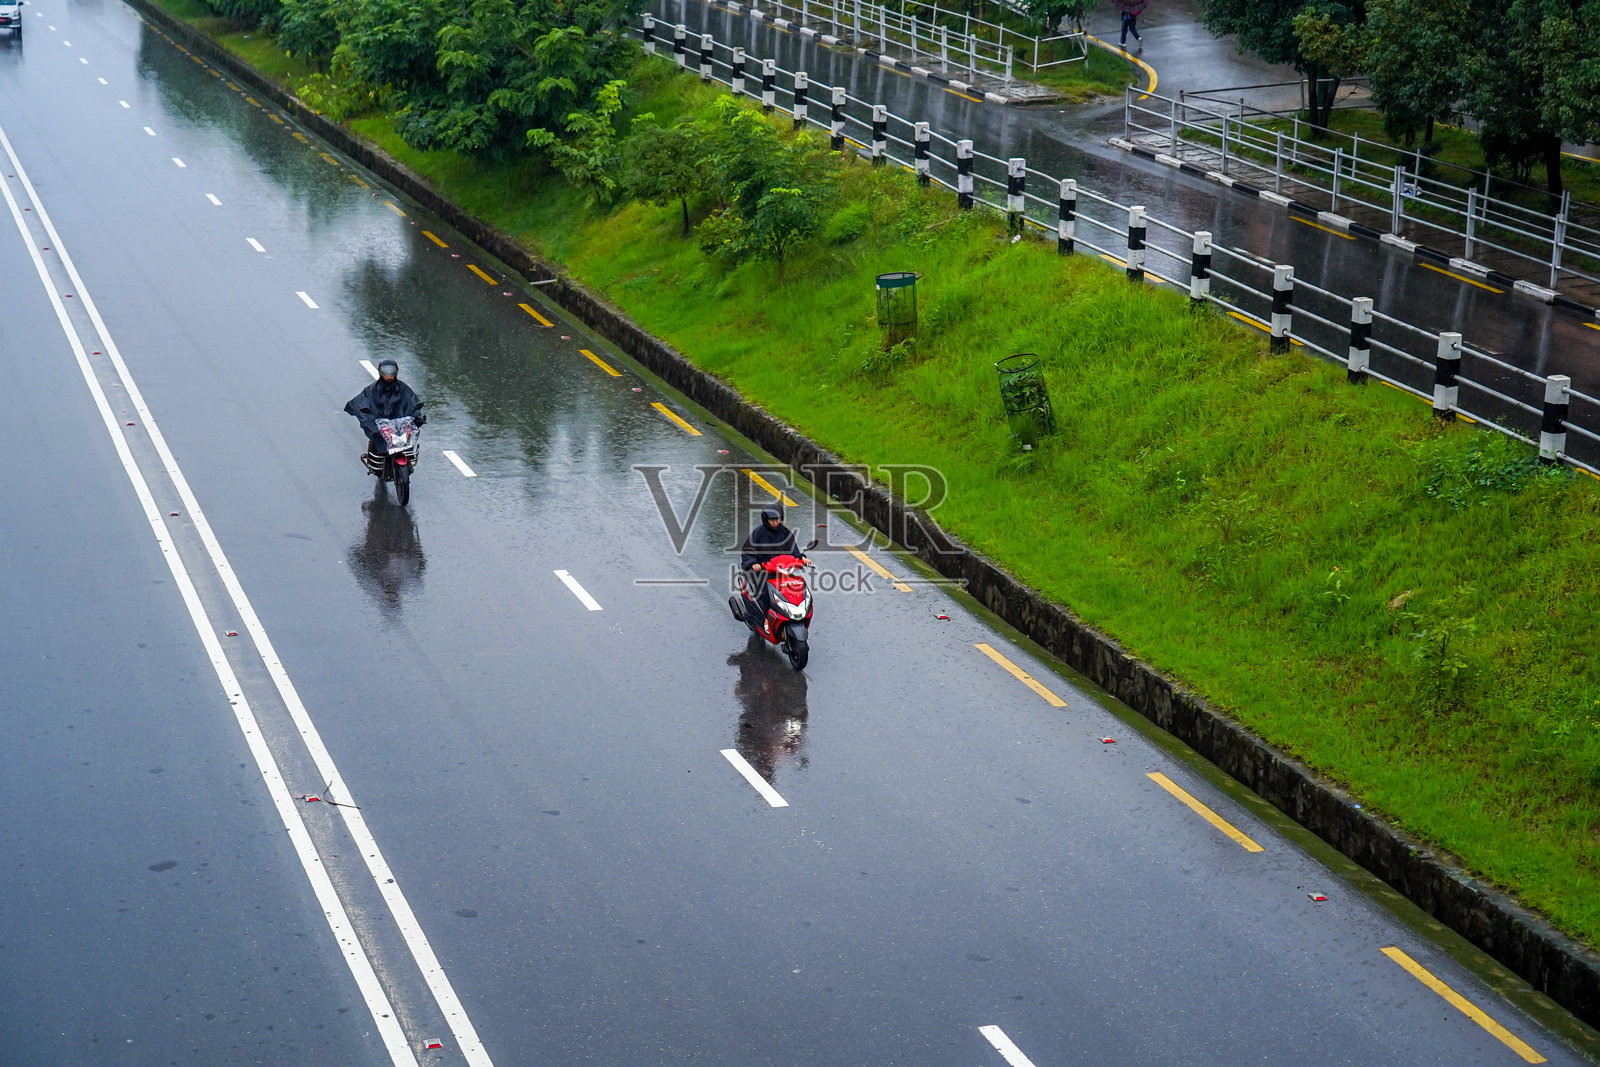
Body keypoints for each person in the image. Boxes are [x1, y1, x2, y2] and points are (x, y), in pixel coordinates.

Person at [344, 359, 425, 469]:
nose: (389, 378)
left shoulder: (403, 389)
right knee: (375, 436)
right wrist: (367, 414)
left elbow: (412, 401)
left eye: (391, 375)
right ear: (381, 373)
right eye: (386, 375)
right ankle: (372, 458)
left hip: (400, 424)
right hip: (381, 426)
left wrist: (416, 415)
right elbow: (362, 402)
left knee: (410, 435)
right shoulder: (372, 390)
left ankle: (407, 462)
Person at [739, 505, 808, 614]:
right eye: (772, 520)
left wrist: (802, 558)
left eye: (777, 520)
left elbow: (794, 550)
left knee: (796, 588)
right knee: (766, 591)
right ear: (766, 520)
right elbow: (748, 552)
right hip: (764, 570)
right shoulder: (758, 534)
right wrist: (753, 564)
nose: (776, 523)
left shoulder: (785, 533)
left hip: (783, 570)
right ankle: (767, 616)